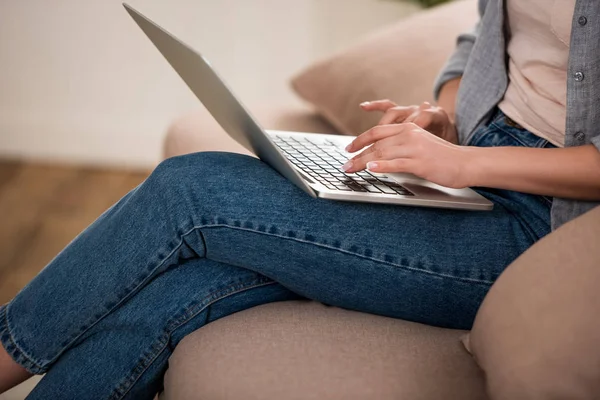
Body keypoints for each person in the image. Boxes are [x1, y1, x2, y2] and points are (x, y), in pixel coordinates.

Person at [2, 0, 599, 398]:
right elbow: (479, 39)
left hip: (537, 227)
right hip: (469, 167)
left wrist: (465, 162)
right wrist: (443, 116)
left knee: (189, 193)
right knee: (189, 282)